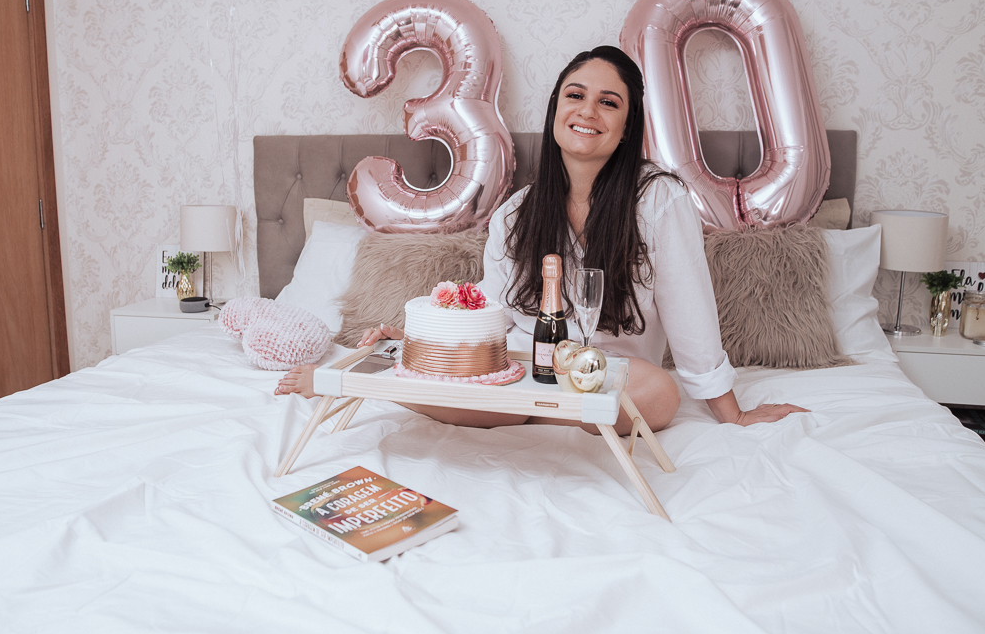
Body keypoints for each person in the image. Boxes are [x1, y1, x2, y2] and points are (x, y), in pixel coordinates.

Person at [277, 45, 807, 434]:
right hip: (523, 368)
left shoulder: (660, 199)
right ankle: (368, 382)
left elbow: (691, 311)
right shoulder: (516, 211)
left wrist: (731, 411)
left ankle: (535, 410)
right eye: (576, 96)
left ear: (627, 127)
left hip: (611, 373)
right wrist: (425, 344)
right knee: (470, 380)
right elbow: (495, 307)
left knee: (659, 394)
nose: (588, 112)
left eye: (609, 103)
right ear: (556, 110)